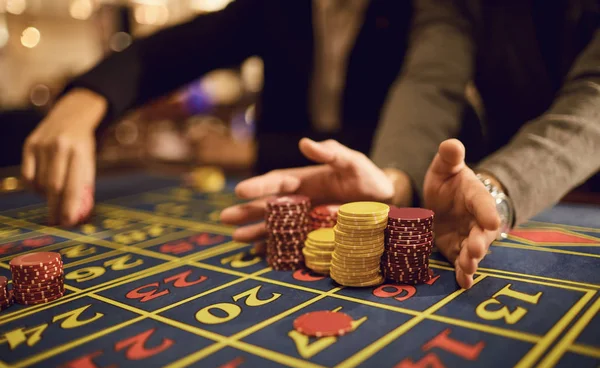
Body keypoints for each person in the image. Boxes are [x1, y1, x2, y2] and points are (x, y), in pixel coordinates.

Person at [221, 0, 600, 289]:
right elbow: (430, 79)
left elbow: (594, 95)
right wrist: (395, 181)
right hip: (503, 164)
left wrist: (498, 186)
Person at [22, 0, 447, 226]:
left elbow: (415, 119)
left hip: (383, 189)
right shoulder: (275, 6)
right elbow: (170, 51)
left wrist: (251, 153)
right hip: (275, 195)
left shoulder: (422, 11)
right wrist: (86, 99)